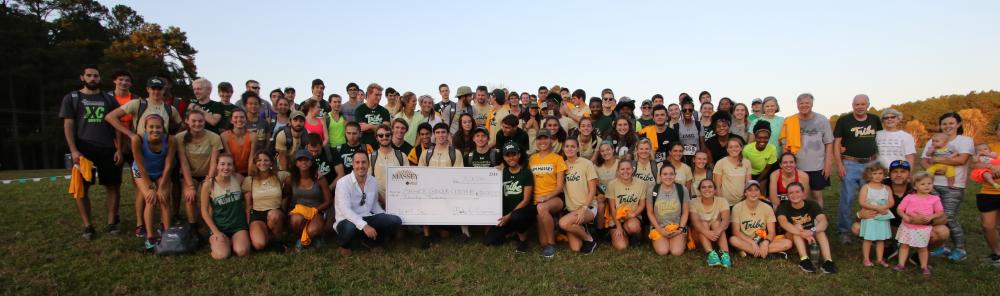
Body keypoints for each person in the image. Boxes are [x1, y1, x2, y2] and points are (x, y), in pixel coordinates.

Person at [62, 66, 123, 239]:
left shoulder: (108, 99)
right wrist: (73, 150)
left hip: (108, 148)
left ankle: (112, 223)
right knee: (82, 188)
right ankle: (88, 225)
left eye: (96, 76)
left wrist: (119, 148)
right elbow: (68, 125)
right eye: (89, 75)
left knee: (113, 186)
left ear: (100, 78)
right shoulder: (72, 98)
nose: (93, 78)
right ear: (82, 77)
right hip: (83, 149)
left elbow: (117, 124)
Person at [921, 112, 974, 262]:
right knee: (936, 217)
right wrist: (934, 168)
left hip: (954, 185)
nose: (947, 126)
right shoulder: (933, 141)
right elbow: (925, 161)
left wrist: (936, 159)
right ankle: (940, 245)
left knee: (948, 217)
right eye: (944, 123)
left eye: (951, 123)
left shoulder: (965, 140)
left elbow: (961, 160)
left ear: (958, 124)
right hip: (932, 185)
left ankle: (960, 249)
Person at [832, 94, 882, 244]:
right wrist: (839, 164)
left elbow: (879, 140)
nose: (859, 107)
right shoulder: (844, 120)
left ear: (868, 105)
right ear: (852, 105)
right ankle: (844, 231)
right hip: (850, 163)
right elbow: (837, 143)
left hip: (870, 164)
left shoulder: (874, 119)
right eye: (856, 104)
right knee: (847, 198)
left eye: (862, 104)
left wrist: (879, 161)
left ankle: (869, 228)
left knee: (871, 198)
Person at [334, 151, 404, 256]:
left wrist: (383, 216)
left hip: (367, 217)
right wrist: (364, 226)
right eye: (357, 163)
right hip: (347, 220)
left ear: (368, 164)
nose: (360, 166)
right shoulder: (343, 183)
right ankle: (344, 245)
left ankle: (371, 242)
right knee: (350, 227)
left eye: (363, 162)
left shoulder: (373, 181)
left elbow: (374, 204)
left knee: (395, 220)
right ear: (352, 164)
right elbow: (345, 210)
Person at [130, 114, 175, 250]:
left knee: (164, 198)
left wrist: (161, 187)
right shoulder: (137, 139)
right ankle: (150, 236)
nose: (155, 130)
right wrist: (150, 187)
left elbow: (168, 165)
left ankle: (167, 233)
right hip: (142, 171)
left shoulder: (170, 140)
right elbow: (140, 165)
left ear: (163, 128)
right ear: (145, 128)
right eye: (151, 127)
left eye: (158, 127)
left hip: (161, 170)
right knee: (150, 199)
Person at [418, 123, 466, 248]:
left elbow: (458, 177)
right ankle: (426, 235)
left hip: (449, 194)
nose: (441, 135)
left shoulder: (455, 153)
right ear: (434, 135)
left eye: (443, 132)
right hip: (430, 193)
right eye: (438, 132)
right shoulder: (426, 153)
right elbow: (420, 175)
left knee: (445, 234)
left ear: (448, 134)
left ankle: (461, 231)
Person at [780, 93, 833, 206]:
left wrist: (828, 163)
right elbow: (785, 145)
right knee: (797, 195)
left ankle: (818, 219)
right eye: (801, 103)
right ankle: (801, 220)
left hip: (817, 166)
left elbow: (829, 142)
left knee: (816, 195)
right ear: (797, 105)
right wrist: (785, 165)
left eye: (807, 103)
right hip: (796, 166)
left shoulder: (822, 120)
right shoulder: (790, 120)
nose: (804, 105)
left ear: (812, 104)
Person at [485, 142, 536, 252]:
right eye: (508, 155)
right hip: (506, 213)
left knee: (517, 216)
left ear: (519, 155)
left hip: (522, 212)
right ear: (503, 157)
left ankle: (523, 240)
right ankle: (512, 232)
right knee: (491, 241)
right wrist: (495, 170)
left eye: (514, 154)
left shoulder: (526, 173)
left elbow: (526, 200)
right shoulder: (500, 172)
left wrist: (509, 216)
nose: (511, 158)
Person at [177, 109, 223, 229]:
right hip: (190, 174)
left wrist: (210, 178)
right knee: (190, 196)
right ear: (187, 121)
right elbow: (184, 163)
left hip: (208, 173)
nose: (197, 124)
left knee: (209, 195)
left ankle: (211, 225)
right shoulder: (180, 138)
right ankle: (193, 225)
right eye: (194, 121)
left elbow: (214, 161)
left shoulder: (214, 137)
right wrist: (190, 186)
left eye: (200, 121)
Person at [777, 181, 837, 273]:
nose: (794, 195)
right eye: (791, 193)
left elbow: (823, 221)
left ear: (803, 193)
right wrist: (802, 233)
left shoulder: (812, 204)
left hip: (811, 236)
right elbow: (783, 223)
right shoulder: (784, 206)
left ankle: (828, 261)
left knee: (820, 231)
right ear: (787, 195)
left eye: (797, 192)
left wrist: (812, 231)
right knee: (797, 227)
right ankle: (804, 260)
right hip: (793, 238)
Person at [200, 154, 250, 259]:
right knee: (222, 255)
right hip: (220, 227)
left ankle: (232, 241)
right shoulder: (208, 185)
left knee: (242, 251)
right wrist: (216, 232)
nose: (226, 168)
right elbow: (204, 211)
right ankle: (217, 241)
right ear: (217, 166)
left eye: (229, 164)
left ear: (233, 167)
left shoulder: (239, 178)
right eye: (222, 164)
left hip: (238, 226)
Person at [894, 172, 945, 276]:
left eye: (929, 183)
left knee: (922, 248)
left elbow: (940, 212)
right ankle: (901, 264)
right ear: (914, 186)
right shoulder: (909, 197)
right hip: (907, 227)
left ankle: (924, 266)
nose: (927, 186)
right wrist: (905, 216)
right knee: (904, 245)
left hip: (923, 229)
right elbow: (900, 209)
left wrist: (931, 217)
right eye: (923, 184)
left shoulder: (934, 199)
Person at [729, 181, 793, 259]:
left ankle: (750, 252)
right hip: (746, 240)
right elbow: (736, 232)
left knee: (788, 243)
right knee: (733, 240)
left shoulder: (767, 207)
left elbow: (772, 232)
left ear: (760, 192)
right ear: (745, 193)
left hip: (762, 239)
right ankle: (768, 255)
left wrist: (766, 242)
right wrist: (752, 242)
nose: (754, 193)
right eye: (750, 190)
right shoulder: (737, 207)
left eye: (756, 190)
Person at [528, 129, 567, 257]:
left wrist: (546, 197)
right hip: (537, 200)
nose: (542, 141)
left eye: (545, 138)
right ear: (536, 141)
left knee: (542, 207)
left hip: (555, 198)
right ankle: (554, 230)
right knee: (542, 242)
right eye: (540, 138)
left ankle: (552, 244)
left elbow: (560, 186)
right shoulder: (532, 159)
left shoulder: (558, 158)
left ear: (551, 140)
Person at [286, 149, 334, 251]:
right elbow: (287, 196)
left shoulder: (320, 178)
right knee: (295, 220)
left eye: (307, 160)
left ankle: (310, 239)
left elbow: (328, 201)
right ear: (296, 163)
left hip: (316, 211)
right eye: (300, 160)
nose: (303, 162)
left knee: (313, 230)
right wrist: (287, 211)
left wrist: (314, 210)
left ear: (312, 162)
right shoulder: (291, 179)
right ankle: (303, 239)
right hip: (299, 211)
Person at [558, 139, 599, 253]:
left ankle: (590, 240)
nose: (569, 149)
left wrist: (584, 208)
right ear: (563, 148)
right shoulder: (562, 165)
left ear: (577, 148)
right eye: (567, 146)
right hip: (571, 210)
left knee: (563, 223)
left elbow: (592, 190)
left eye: (572, 146)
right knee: (575, 248)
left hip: (588, 207)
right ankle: (583, 230)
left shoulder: (586, 163)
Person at [243, 151, 289, 252]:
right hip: (257, 214)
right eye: (259, 160)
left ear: (271, 162)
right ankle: (266, 235)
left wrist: (317, 172)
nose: (262, 163)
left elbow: (296, 176)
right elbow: (248, 205)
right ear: (255, 163)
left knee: (274, 215)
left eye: (266, 160)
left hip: (275, 212)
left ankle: (278, 241)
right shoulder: (249, 180)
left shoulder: (279, 176)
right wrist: (247, 225)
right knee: (259, 245)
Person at [646, 164, 690, 257]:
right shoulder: (652, 190)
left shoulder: (682, 189)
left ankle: (682, 237)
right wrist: (660, 230)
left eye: (671, 174)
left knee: (676, 252)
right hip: (659, 227)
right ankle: (662, 240)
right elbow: (650, 212)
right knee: (663, 251)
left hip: (677, 227)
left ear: (675, 175)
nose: (668, 177)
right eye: (665, 174)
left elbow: (685, 212)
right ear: (660, 176)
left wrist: (680, 229)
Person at [972, 122, 1000, 266]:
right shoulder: (988, 147)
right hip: (988, 192)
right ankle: (996, 254)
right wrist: (991, 166)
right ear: (997, 130)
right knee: (988, 226)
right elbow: (975, 164)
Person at [689, 179, 731, 267]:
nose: (707, 189)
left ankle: (726, 255)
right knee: (703, 223)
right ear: (699, 190)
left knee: (717, 223)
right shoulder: (693, 202)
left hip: (716, 236)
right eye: (703, 187)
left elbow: (726, 220)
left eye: (710, 187)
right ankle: (711, 255)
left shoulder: (722, 201)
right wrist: (707, 233)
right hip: (699, 237)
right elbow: (695, 222)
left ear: (715, 190)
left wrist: (718, 231)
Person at [858, 163, 893, 267]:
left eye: (880, 173)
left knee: (881, 239)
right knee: (868, 239)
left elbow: (891, 202)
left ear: (884, 174)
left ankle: (880, 259)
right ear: (869, 175)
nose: (878, 176)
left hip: (882, 216)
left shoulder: (886, 188)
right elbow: (862, 202)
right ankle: (866, 259)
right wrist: (876, 207)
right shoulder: (866, 187)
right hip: (870, 216)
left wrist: (885, 207)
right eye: (874, 173)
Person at [607, 160, 647, 250]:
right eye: (622, 169)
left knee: (633, 226)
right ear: (618, 171)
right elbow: (612, 208)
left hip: (632, 218)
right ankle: (619, 234)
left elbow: (642, 204)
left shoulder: (641, 183)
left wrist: (634, 214)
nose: (625, 171)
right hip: (617, 219)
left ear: (632, 170)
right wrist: (618, 227)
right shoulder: (612, 184)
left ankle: (636, 238)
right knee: (622, 246)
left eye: (628, 169)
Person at [371, 124, 408, 205]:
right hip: (377, 203)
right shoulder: (371, 157)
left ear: (391, 136)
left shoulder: (402, 156)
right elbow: (368, 183)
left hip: (398, 201)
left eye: (387, 135)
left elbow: (407, 181)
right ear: (377, 138)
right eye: (381, 135)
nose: (384, 137)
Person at [714, 138, 752, 206]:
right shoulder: (720, 163)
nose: (733, 149)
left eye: (736, 146)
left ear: (741, 148)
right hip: (725, 203)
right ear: (727, 149)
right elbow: (717, 186)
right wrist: (722, 203)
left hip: (742, 202)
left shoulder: (747, 162)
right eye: (730, 147)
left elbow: (748, 184)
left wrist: (745, 199)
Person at [110, 70, 137, 163]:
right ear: (114, 81)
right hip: (112, 141)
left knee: (137, 172)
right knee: (114, 173)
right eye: (120, 79)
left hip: (131, 140)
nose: (124, 82)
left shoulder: (136, 99)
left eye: (127, 80)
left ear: (131, 83)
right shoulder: (107, 97)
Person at [355, 83, 390, 147]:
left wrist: (370, 126)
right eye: (376, 95)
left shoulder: (384, 111)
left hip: (381, 146)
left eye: (380, 95)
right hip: (365, 146)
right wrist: (379, 127)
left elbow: (386, 129)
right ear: (369, 95)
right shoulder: (359, 110)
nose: (379, 97)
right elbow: (363, 128)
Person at [221, 109, 254, 176]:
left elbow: (251, 157)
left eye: (242, 117)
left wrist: (249, 176)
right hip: (230, 171)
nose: (239, 120)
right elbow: (229, 157)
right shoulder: (224, 135)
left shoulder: (253, 136)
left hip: (247, 170)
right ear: (231, 120)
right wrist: (234, 176)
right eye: (235, 117)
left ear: (246, 120)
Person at [595, 141, 619, 233]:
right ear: (600, 153)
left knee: (612, 202)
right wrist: (600, 194)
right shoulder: (596, 167)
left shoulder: (619, 163)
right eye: (602, 151)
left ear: (613, 150)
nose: (605, 153)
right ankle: (600, 231)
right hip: (602, 193)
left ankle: (615, 227)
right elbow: (596, 184)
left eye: (608, 149)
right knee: (600, 204)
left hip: (617, 194)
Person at [675, 99, 705, 166]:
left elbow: (702, 143)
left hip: (696, 159)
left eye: (690, 110)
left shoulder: (699, 125)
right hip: (682, 158)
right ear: (681, 111)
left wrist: (702, 157)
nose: (687, 112)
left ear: (693, 111)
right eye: (684, 110)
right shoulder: (677, 125)